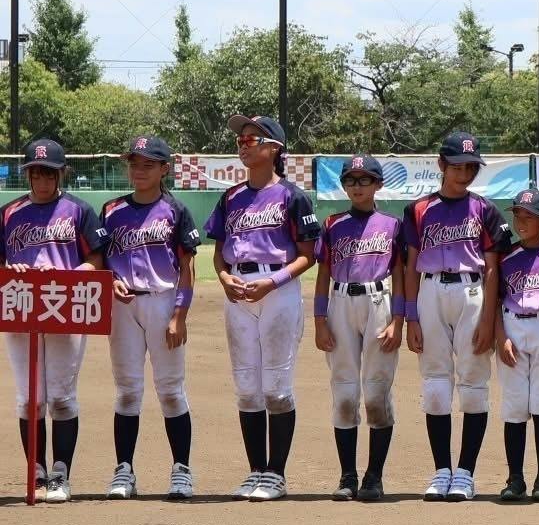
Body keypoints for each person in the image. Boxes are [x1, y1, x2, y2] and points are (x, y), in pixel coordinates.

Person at [205, 115, 318, 501]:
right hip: (238, 290)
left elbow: (308, 254)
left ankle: (276, 474)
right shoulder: (230, 197)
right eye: (240, 139)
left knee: (276, 388)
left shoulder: (292, 196)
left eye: (252, 138)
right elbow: (219, 252)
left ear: (274, 148)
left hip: (277, 289)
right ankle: (255, 471)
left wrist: (273, 282)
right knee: (247, 388)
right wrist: (224, 277)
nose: (243, 144)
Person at [400, 131, 503, 502]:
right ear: (441, 165)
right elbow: (410, 265)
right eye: (457, 165)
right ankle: (442, 469)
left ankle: (465, 473)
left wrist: (488, 319)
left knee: (474, 383)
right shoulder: (417, 209)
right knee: (435, 384)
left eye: (471, 166)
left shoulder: (485, 210)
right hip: (429, 291)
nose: (464, 173)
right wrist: (411, 317)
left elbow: (493, 268)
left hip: (472, 291)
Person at [4, 138, 108, 503]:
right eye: (36, 173)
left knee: (62, 397)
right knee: (29, 399)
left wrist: (69, 275)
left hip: (65, 306)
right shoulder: (9, 213)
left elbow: (96, 260)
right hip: (22, 307)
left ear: (61, 174)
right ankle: (36, 471)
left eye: (49, 173)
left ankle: (60, 474)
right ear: (28, 175)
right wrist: (10, 269)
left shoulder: (79, 210)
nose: (43, 180)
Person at [101, 136, 201, 501]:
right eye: (134, 163)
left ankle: (181, 471)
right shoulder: (111, 210)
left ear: (164, 169)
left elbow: (187, 266)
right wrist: (110, 281)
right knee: (127, 390)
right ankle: (124, 470)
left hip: (163, 301)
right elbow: (99, 259)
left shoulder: (175, 209)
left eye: (148, 164)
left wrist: (179, 315)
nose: (139, 170)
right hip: (123, 306)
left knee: (171, 390)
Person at [312, 154, 402, 502]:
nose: (357, 186)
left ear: (378, 184)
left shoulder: (392, 225)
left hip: (379, 302)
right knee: (345, 390)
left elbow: (400, 274)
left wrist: (398, 321)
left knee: (377, 391)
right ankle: (348, 475)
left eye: (365, 179)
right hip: (340, 303)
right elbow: (323, 273)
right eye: (350, 179)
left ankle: (374, 476)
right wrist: (320, 321)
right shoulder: (333, 223)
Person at [495, 188, 539, 503]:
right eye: (518, 215)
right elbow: (495, 301)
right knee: (514, 407)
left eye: (530, 217)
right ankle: (515, 479)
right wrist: (500, 337)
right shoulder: (506, 256)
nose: (521, 222)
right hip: (512, 325)